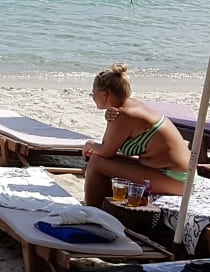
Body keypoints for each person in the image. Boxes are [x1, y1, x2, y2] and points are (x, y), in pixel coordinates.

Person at [82, 63, 192, 207]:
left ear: (104, 95)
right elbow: (109, 145)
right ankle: (100, 208)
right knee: (101, 160)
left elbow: (106, 151)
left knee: (97, 162)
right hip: (178, 174)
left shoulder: (123, 115)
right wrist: (109, 119)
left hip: (176, 180)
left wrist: (89, 144)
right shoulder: (130, 105)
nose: (92, 96)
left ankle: (92, 211)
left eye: (93, 93)